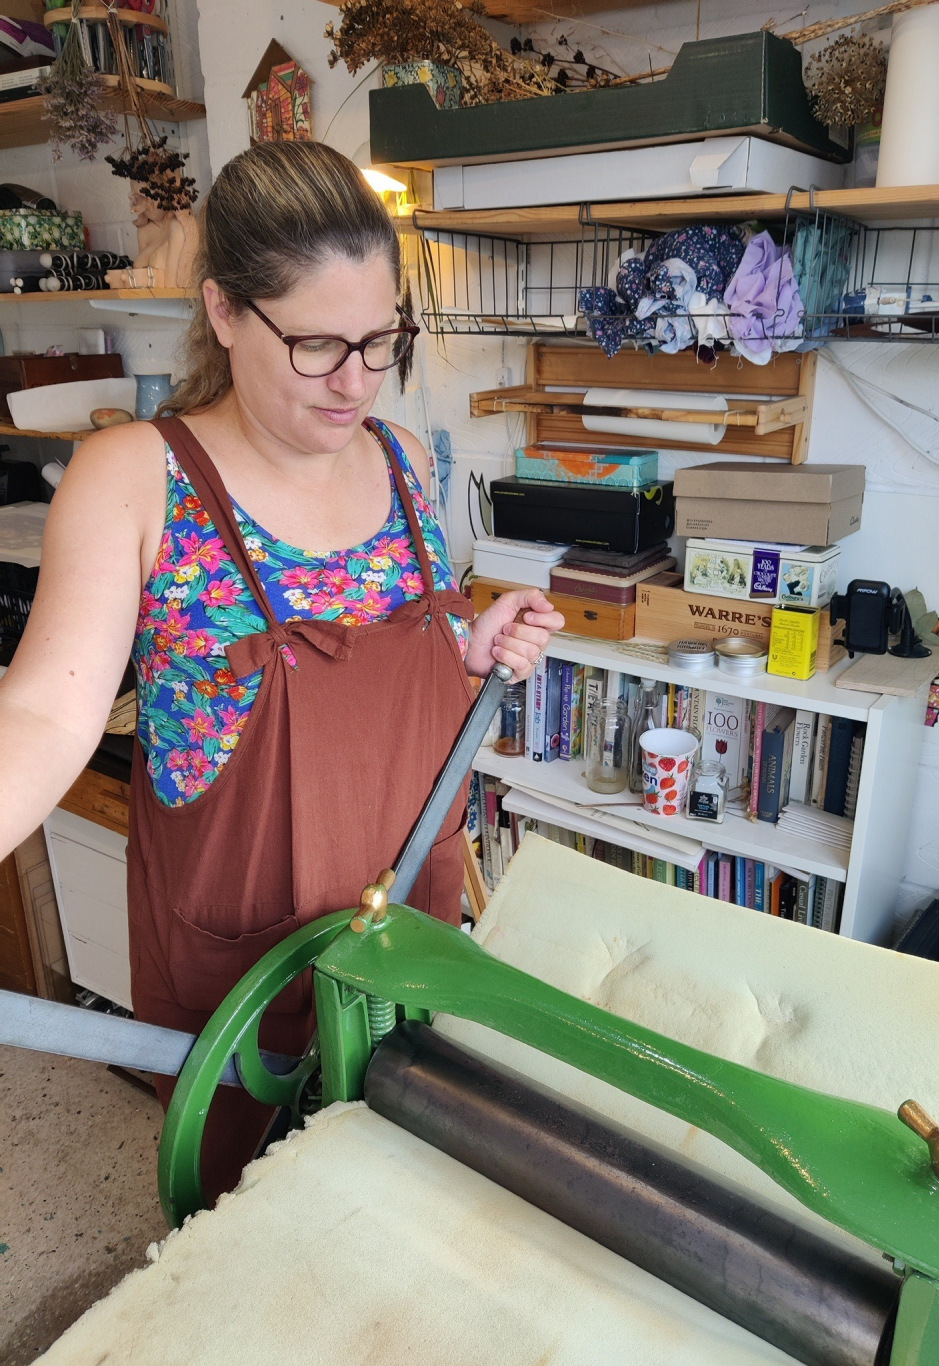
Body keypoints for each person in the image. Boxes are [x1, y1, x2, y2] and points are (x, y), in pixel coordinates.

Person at [0, 141, 563, 1196]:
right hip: (244, 953)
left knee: (412, 1199)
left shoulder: (404, 456)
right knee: (253, 1223)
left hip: (408, 922)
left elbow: (403, 644)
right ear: (222, 311)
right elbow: (39, 714)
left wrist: (470, 648)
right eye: (315, 345)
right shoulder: (137, 476)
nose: (354, 381)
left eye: (381, 339)